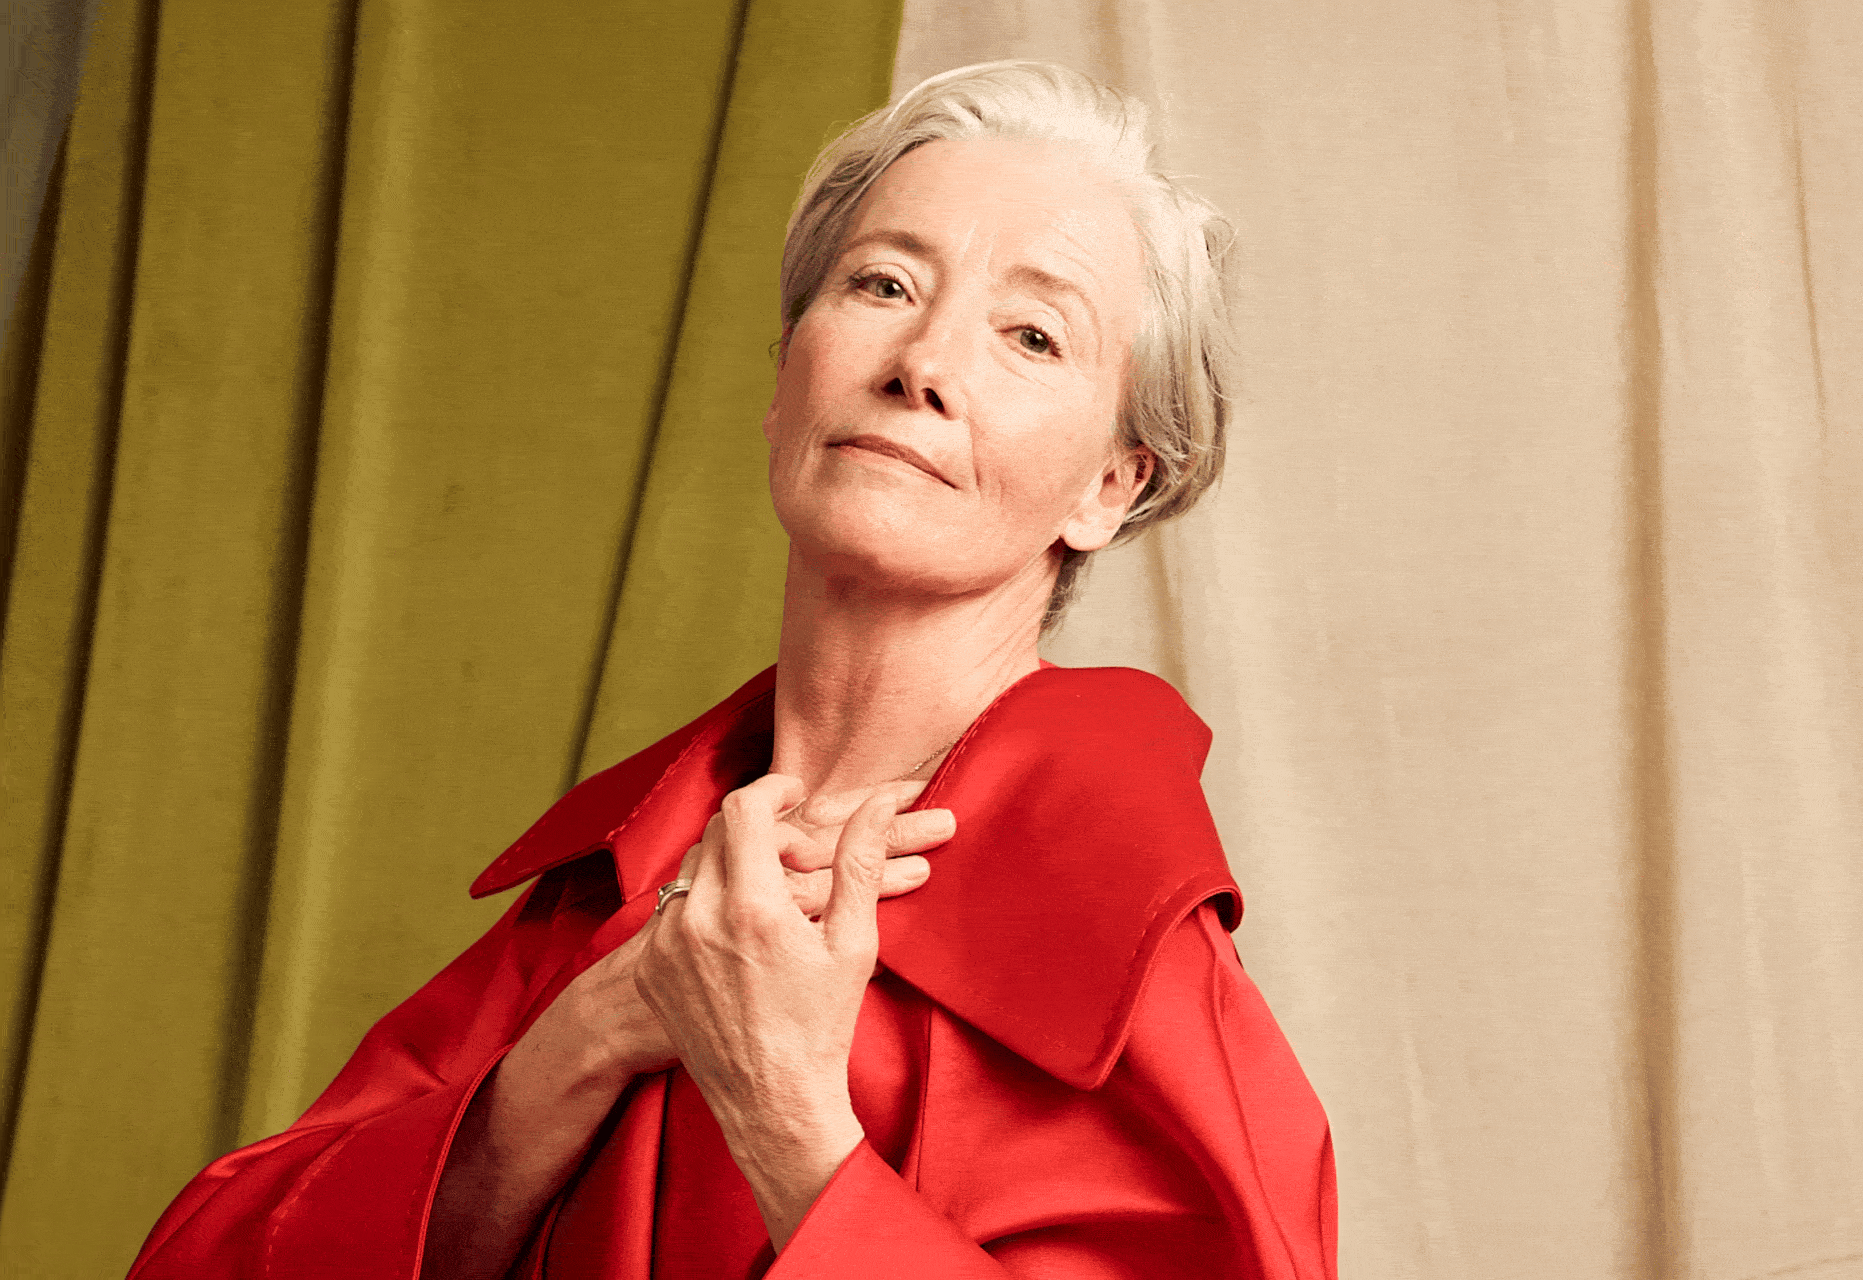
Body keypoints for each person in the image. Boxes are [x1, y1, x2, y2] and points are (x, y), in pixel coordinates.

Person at [128, 61, 1336, 1279]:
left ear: (1110, 486)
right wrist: (576, 1046)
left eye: (1031, 335)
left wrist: (787, 1119)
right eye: (882, 283)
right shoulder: (610, 888)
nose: (922, 362)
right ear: (784, 376)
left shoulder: (1129, 950)